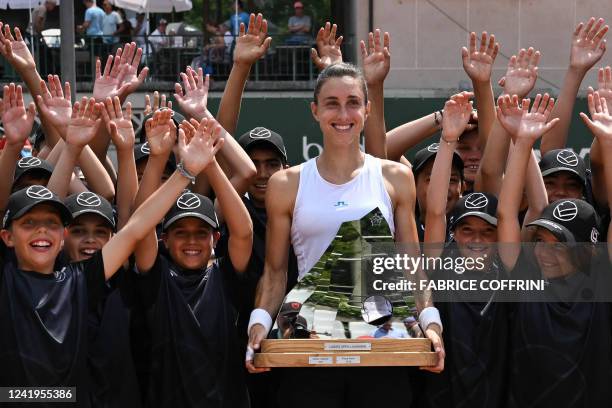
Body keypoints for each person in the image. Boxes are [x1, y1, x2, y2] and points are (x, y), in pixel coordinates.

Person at [246, 62, 444, 407]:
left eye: (353, 102)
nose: (343, 113)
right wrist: (259, 323)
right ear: (315, 110)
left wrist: (431, 323)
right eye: (332, 103)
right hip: (310, 347)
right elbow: (275, 273)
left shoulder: (396, 177)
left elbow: (413, 267)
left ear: (367, 110)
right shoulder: (286, 184)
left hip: (382, 346)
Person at [0, 96, 215, 403]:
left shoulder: (80, 281)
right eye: (29, 223)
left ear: (62, 235)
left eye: (51, 223)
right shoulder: (5, 276)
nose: (41, 231)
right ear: (7, 237)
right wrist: (13, 145)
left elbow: (136, 227)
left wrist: (183, 173)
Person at [497, 91, 612, 407]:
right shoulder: (525, 281)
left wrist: (610, 145)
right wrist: (521, 143)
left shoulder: (602, 284)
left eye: (560, 245)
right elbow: (506, 214)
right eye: (542, 241)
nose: (545, 251)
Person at [131, 113, 252, 408]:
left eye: (201, 233)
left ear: (215, 238)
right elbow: (140, 225)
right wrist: (159, 158)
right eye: (181, 233)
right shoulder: (155, 276)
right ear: (165, 239)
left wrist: (209, 163)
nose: (192, 241)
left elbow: (244, 232)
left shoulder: (225, 275)